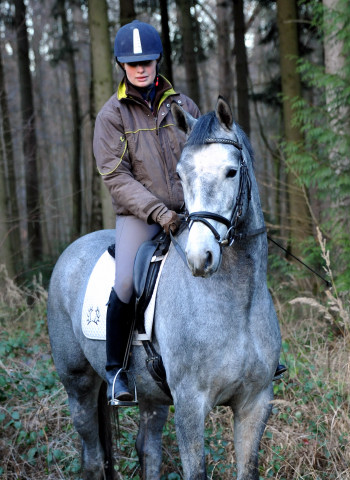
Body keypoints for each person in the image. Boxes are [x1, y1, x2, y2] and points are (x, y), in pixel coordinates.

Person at [93, 20, 200, 404]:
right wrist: (157, 212)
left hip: (189, 210)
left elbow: (200, 159)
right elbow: (115, 176)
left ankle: (253, 354)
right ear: (122, 65)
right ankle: (116, 371)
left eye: (147, 61)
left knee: (230, 254)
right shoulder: (112, 116)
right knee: (125, 282)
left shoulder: (183, 105)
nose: (141, 68)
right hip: (138, 216)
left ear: (157, 60)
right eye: (133, 63)